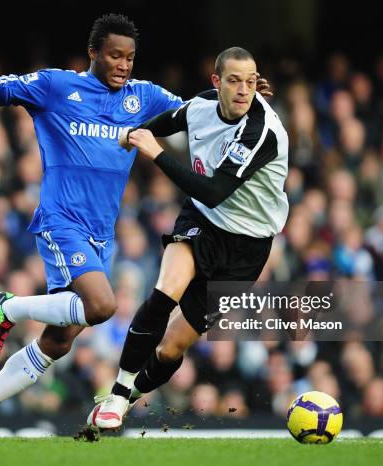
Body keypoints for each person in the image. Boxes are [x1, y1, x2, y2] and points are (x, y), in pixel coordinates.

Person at [0, 13, 274, 442]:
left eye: (130, 58)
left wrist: (236, 91)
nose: (123, 65)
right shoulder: (58, 86)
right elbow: (4, 87)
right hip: (62, 222)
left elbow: (198, 110)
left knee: (58, 343)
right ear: (93, 53)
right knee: (101, 306)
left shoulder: (143, 97)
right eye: (114, 55)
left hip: (101, 235)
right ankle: (7, 307)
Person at [88, 47, 288, 429]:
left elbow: (215, 189)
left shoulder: (261, 132)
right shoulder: (200, 106)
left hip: (247, 248)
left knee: (171, 348)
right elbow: (167, 122)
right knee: (165, 293)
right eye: (234, 80)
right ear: (216, 82)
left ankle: (127, 397)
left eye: (250, 81)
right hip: (203, 220)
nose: (244, 90)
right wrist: (134, 132)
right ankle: (115, 395)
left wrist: (154, 152)